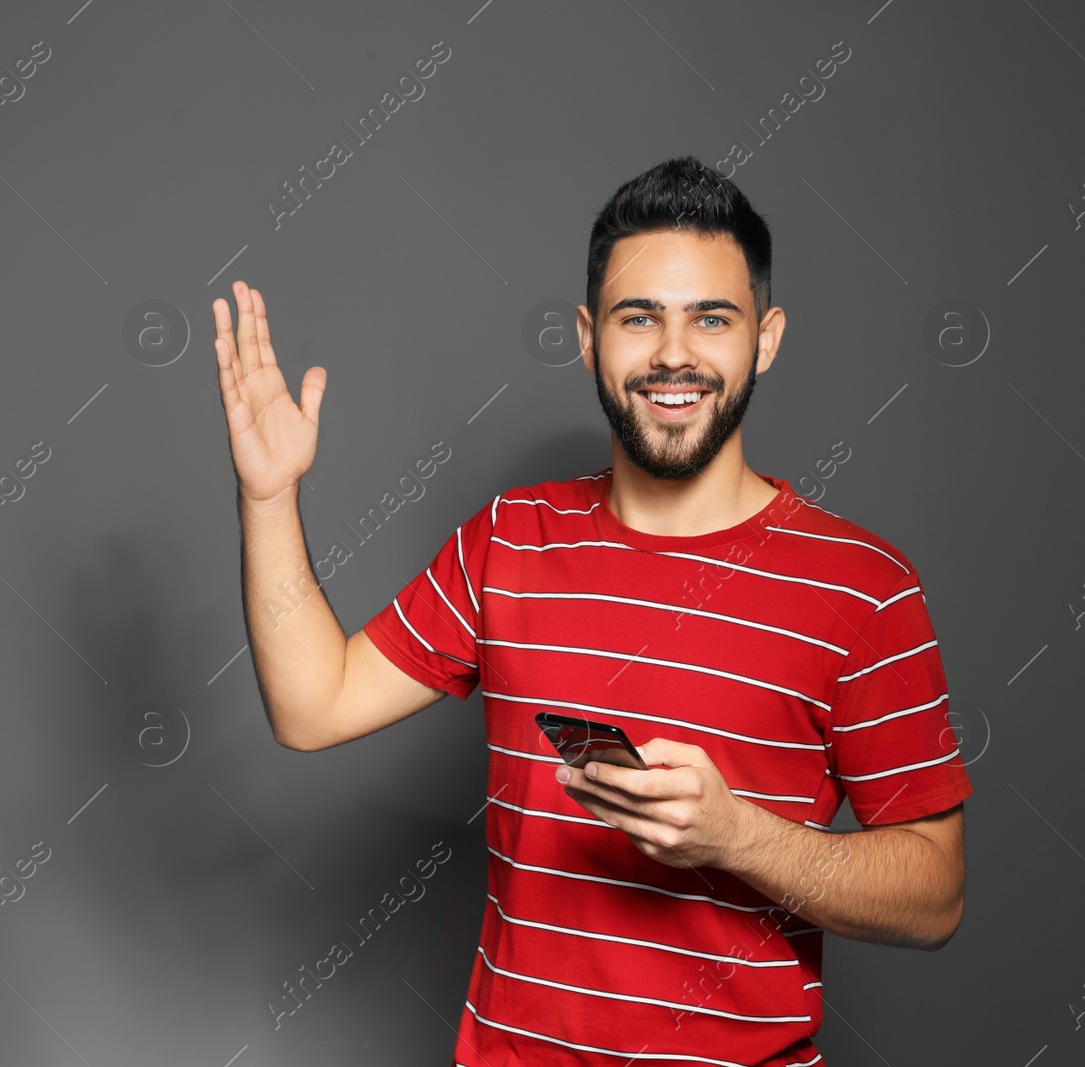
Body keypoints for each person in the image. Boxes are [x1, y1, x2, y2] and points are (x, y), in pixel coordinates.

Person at [214, 155, 971, 1067]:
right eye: (638, 316)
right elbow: (312, 703)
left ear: (765, 339)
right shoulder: (510, 537)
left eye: (711, 318)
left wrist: (740, 837)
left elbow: (935, 896)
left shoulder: (862, 584)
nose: (673, 354)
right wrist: (269, 498)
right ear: (587, 336)